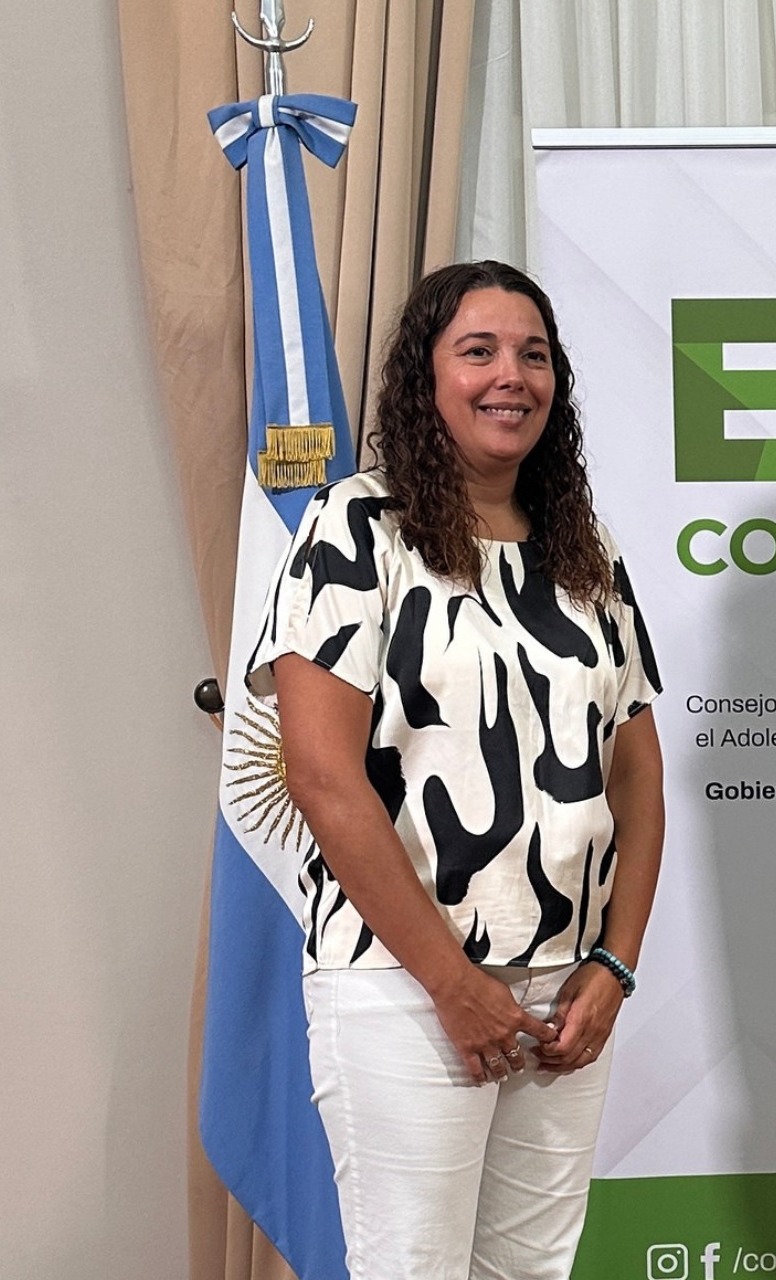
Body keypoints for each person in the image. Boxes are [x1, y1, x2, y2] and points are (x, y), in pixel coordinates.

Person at [246, 260, 665, 1279]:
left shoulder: (583, 549)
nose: (510, 375)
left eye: (533, 354)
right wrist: (454, 983)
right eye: (478, 351)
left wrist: (613, 966)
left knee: (531, 1272)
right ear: (424, 378)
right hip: (402, 984)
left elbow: (637, 779)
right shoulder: (357, 529)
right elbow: (323, 778)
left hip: (565, 992)